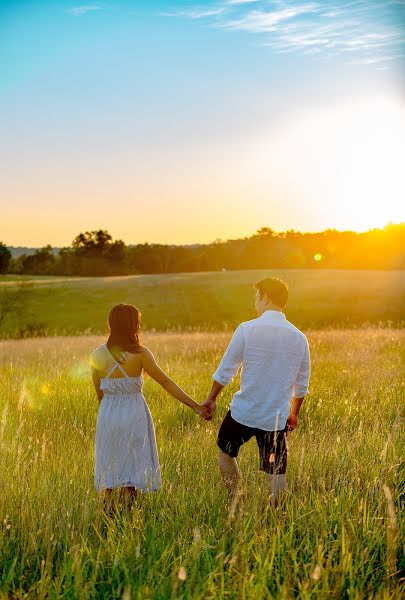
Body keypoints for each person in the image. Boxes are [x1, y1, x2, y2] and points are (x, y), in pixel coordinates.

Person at [203, 277, 310, 507]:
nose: (255, 302)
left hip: (244, 412)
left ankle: (237, 501)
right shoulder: (300, 338)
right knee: (277, 472)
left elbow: (225, 372)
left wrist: (211, 399)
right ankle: (277, 519)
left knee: (225, 453)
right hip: (276, 417)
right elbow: (301, 385)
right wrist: (294, 413)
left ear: (266, 297)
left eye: (256, 296)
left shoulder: (247, 329)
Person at [91, 303, 209, 508]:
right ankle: (130, 517)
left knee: (110, 469)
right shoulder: (141, 354)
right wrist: (196, 406)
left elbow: (99, 393)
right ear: (133, 326)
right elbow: (165, 382)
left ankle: (109, 518)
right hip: (134, 414)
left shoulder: (97, 355)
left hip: (107, 415)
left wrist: (109, 413)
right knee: (132, 470)